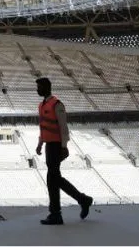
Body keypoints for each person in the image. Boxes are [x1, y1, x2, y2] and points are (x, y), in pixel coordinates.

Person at [35, 77, 93, 225]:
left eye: (39, 87)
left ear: (47, 88)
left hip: (56, 145)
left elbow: (63, 127)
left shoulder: (57, 104)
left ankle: (58, 212)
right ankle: (80, 201)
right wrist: (40, 143)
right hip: (49, 145)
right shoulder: (41, 105)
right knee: (53, 179)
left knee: (52, 178)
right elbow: (43, 127)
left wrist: (64, 146)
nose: (37, 89)